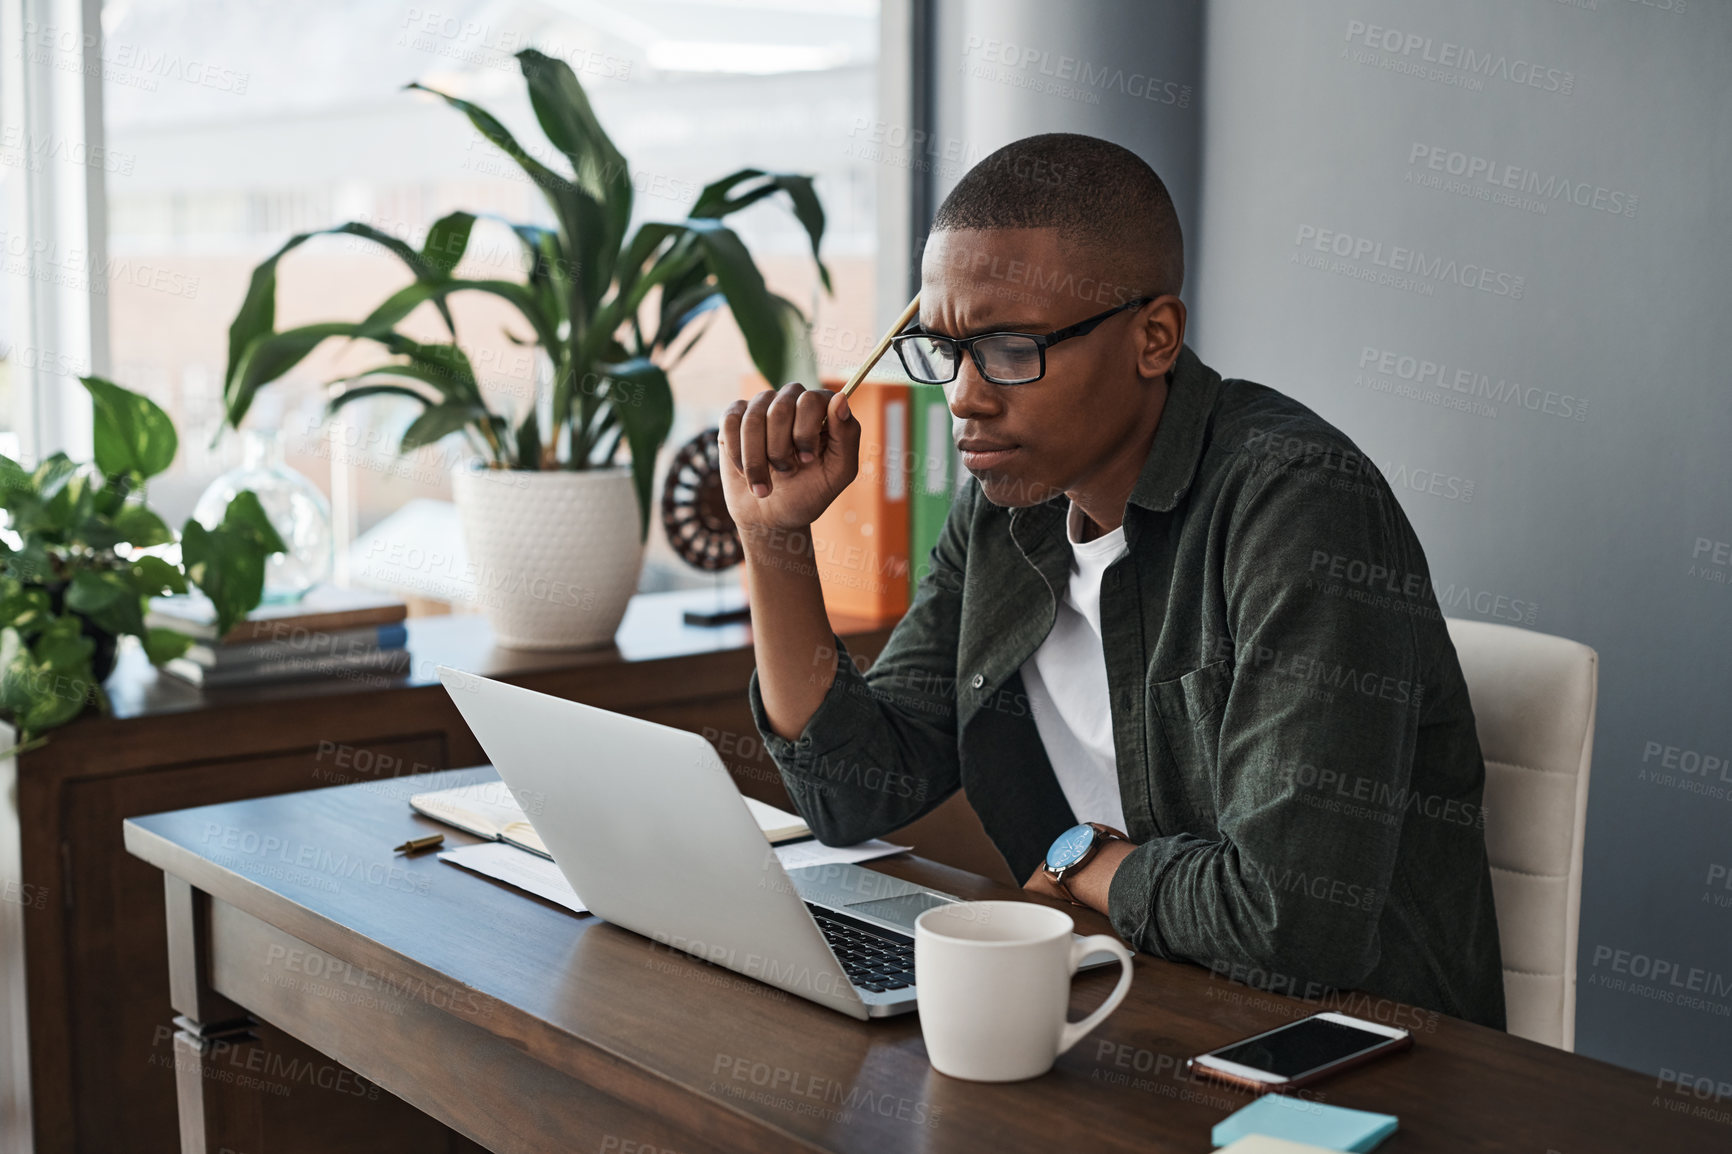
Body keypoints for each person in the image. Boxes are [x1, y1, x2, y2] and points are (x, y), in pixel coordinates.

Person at [720, 132, 1505, 1029]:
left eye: (1012, 348)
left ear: (1154, 338)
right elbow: (854, 792)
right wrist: (773, 540)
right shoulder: (1007, 507)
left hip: (1345, 1055)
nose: (966, 396)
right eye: (945, 349)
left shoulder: (1297, 507)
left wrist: (1075, 857)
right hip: (1130, 995)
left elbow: (1291, 919)